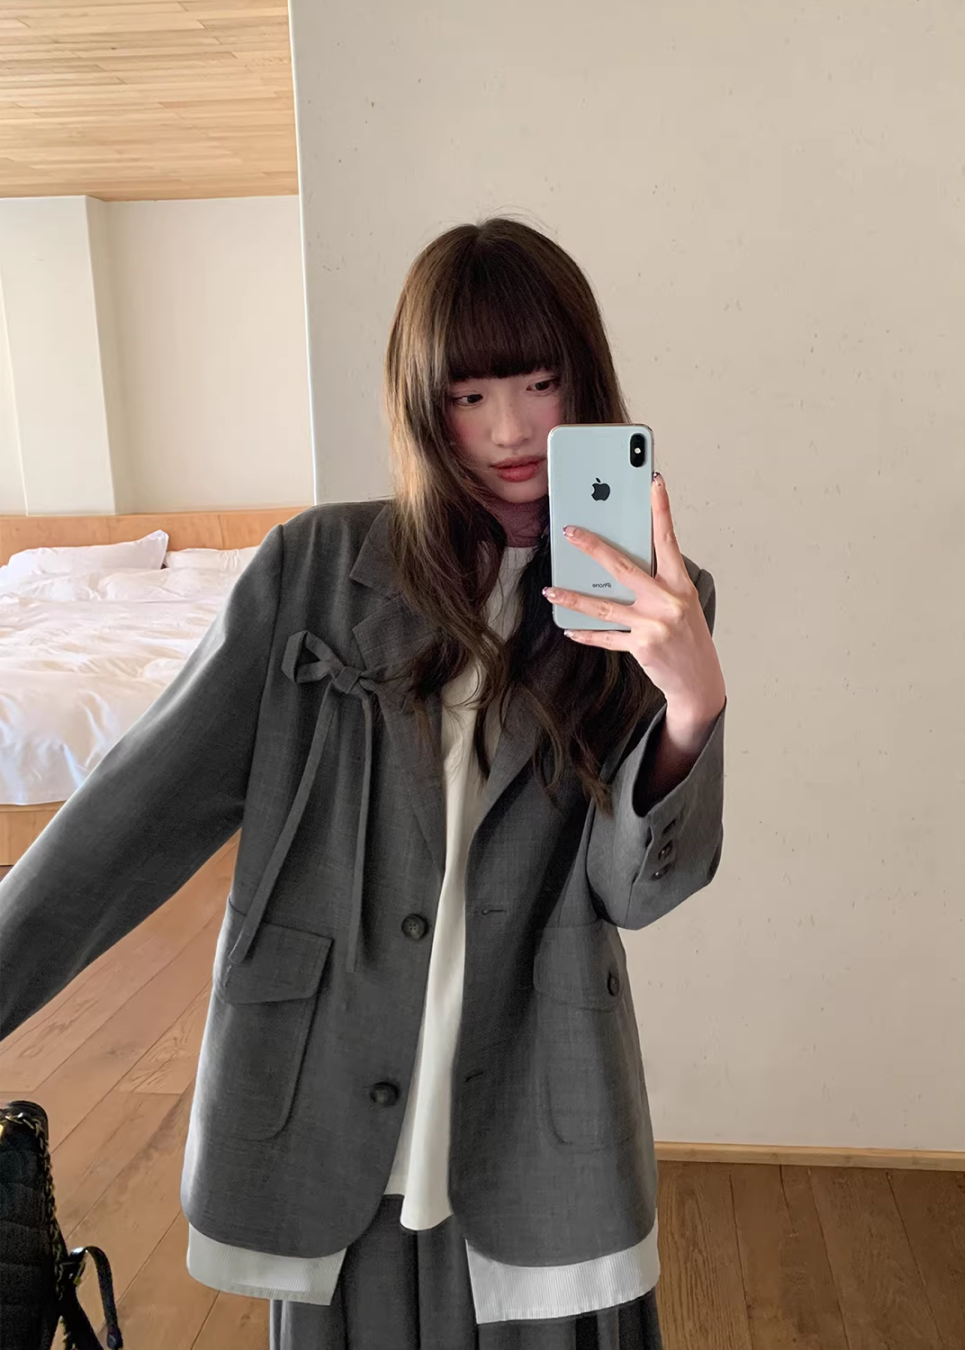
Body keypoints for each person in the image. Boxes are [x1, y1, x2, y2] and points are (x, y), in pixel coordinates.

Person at [0, 217, 727, 1349]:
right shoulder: (314, 571)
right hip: (326, 1084)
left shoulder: (658, 600)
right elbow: (136, 812)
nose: (511, 429)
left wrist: (690, 705)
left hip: (541, 1091)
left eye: (540, 384)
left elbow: (634, 891)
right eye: (470, 394)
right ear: (423, 402)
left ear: (585, 381)